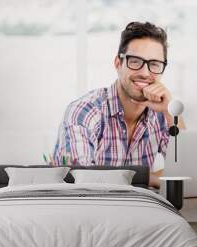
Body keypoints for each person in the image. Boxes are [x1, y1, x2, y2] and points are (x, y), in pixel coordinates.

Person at [53, 21, 185, 188]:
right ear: (118, 63)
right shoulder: (85, 112)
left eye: (154, 64)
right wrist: (150, 178)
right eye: (135, 61)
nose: (145, 73)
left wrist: (171, 113)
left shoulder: (161, 113)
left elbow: (187, 171)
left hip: (140, 209)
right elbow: (81, 179)